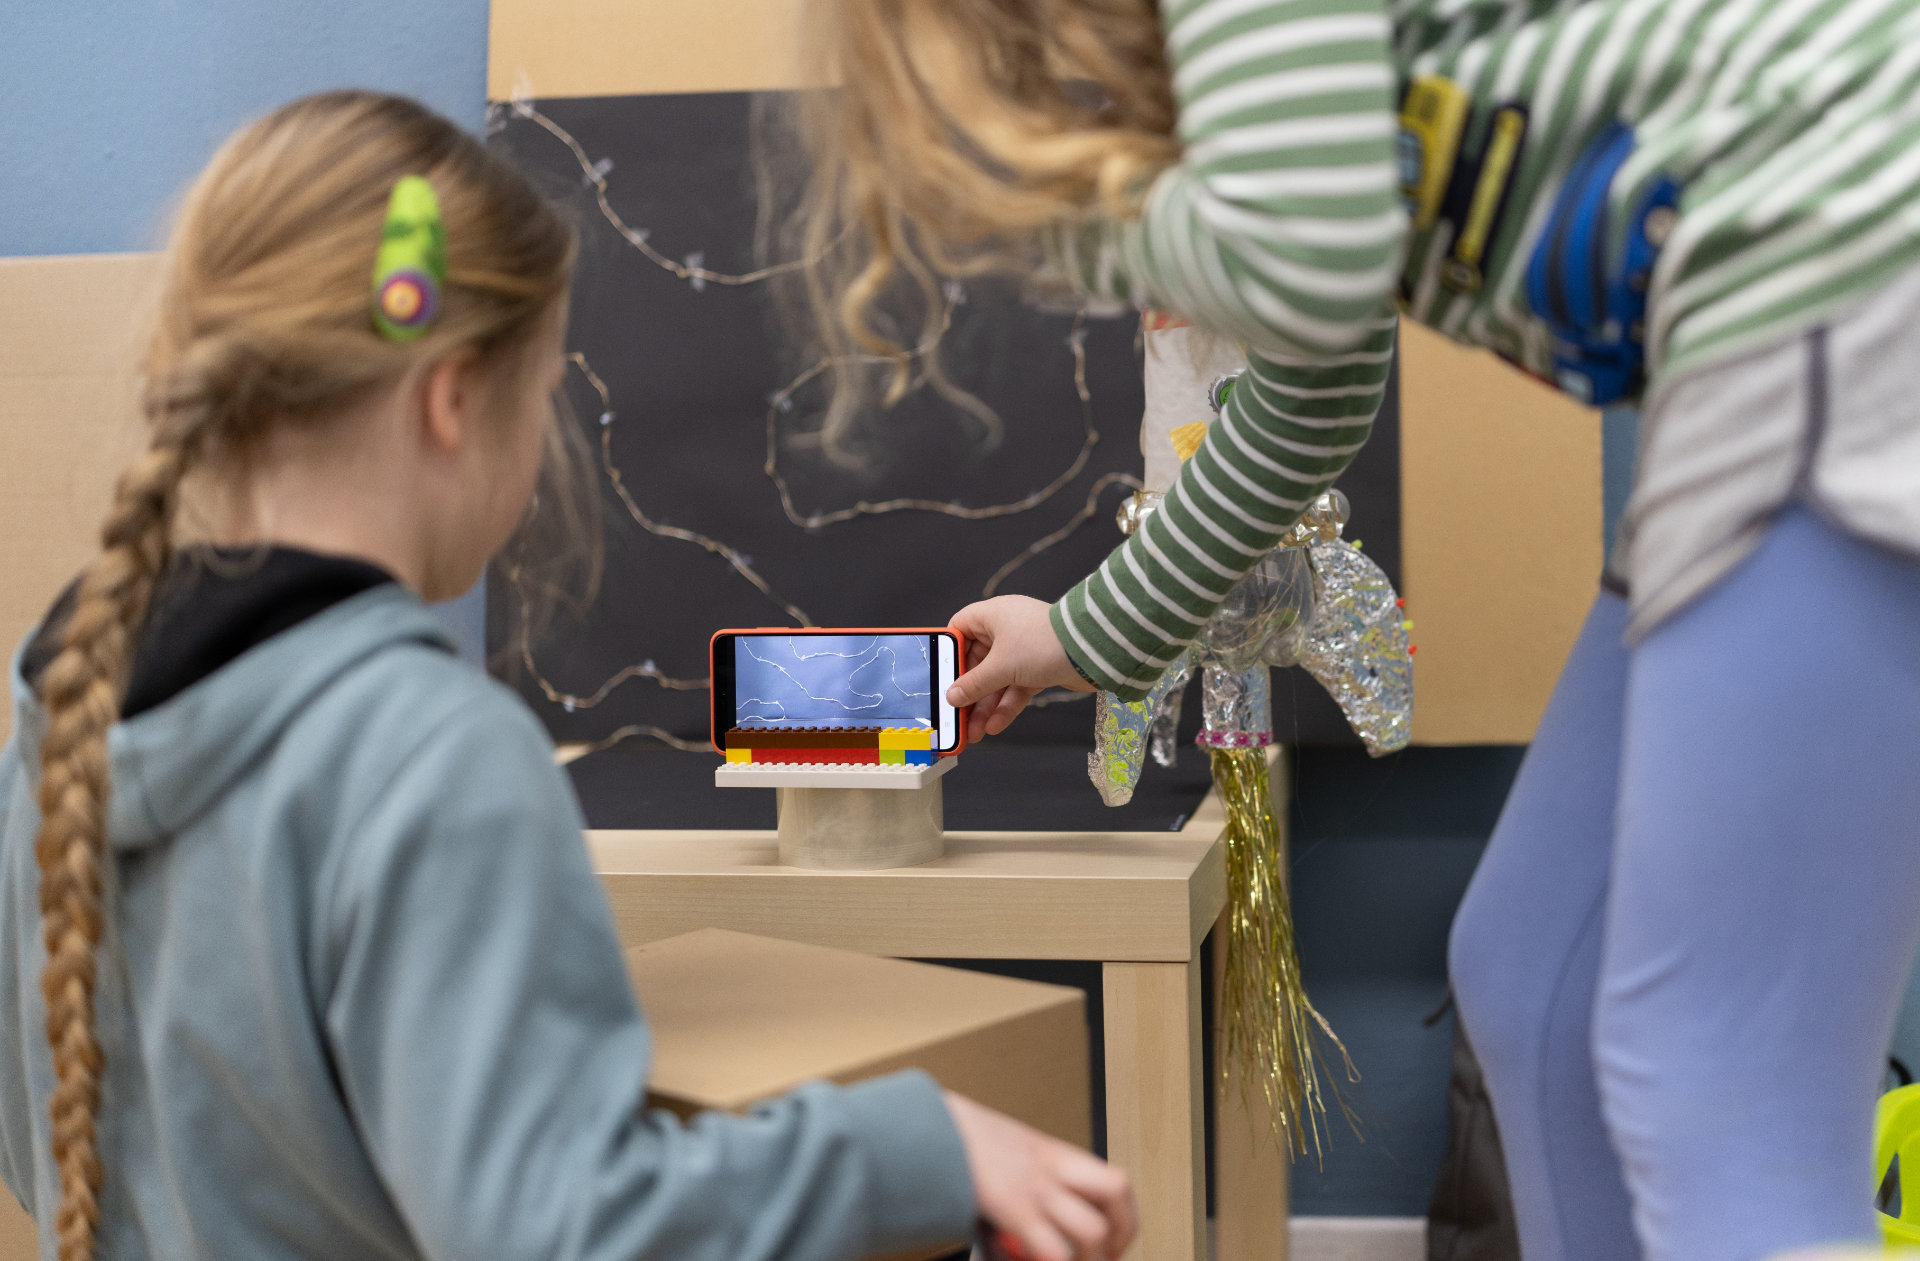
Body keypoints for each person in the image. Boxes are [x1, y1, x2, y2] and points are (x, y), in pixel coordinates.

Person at [787, 2, 1920, 1260]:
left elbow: (1308, 264)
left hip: (1841, 267)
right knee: (1535, 982)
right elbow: (1304, 404)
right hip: (1777, 339)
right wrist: (1080, 636)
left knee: (1718, 1087)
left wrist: (1044, 215)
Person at [0, 91, 1136, 1261]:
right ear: (452, 400)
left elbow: (43, 1139)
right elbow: (560, 1230)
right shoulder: (432, 754)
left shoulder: (63, 702)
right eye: (544, 391)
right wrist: (917, 1150)